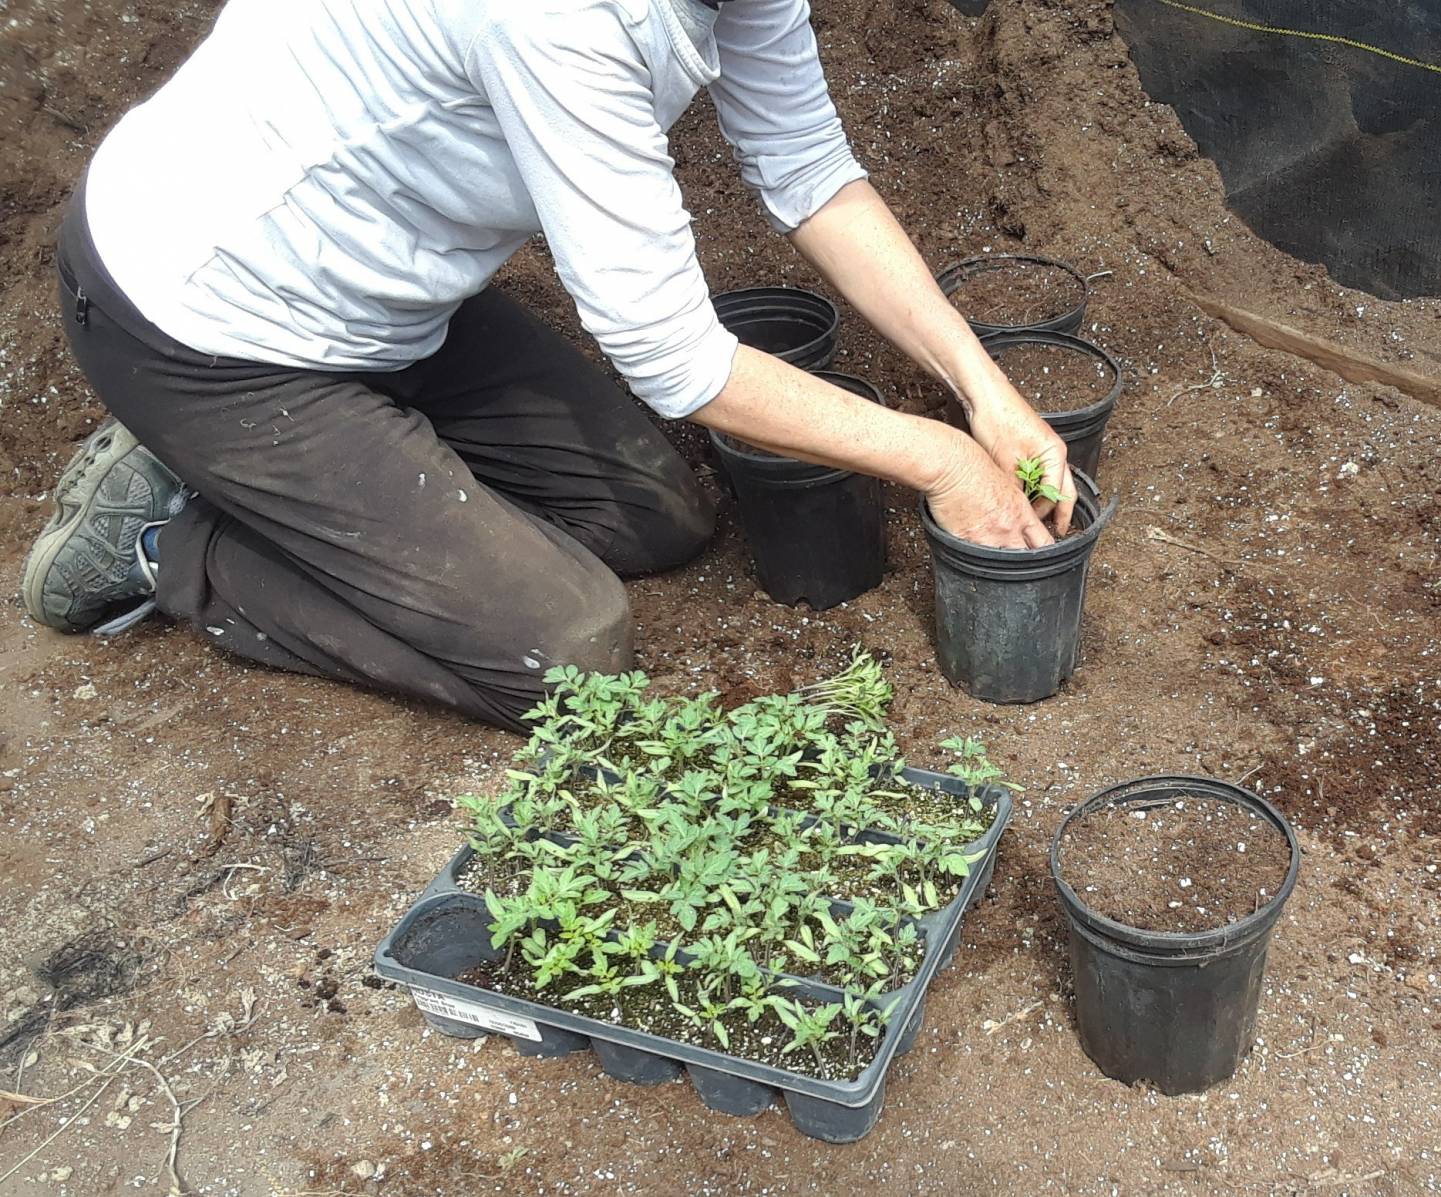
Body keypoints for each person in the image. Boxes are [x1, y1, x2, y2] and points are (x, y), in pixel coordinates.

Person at [21, 0, 1075, 731]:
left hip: (385, 298)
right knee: (561, 652)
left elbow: (808, 171)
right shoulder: (560, 20)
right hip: (207, 323)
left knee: (654, 517)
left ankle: (293, 480)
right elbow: (671, 353)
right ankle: (169, 542)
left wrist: (989, 394)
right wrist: (937, 459)